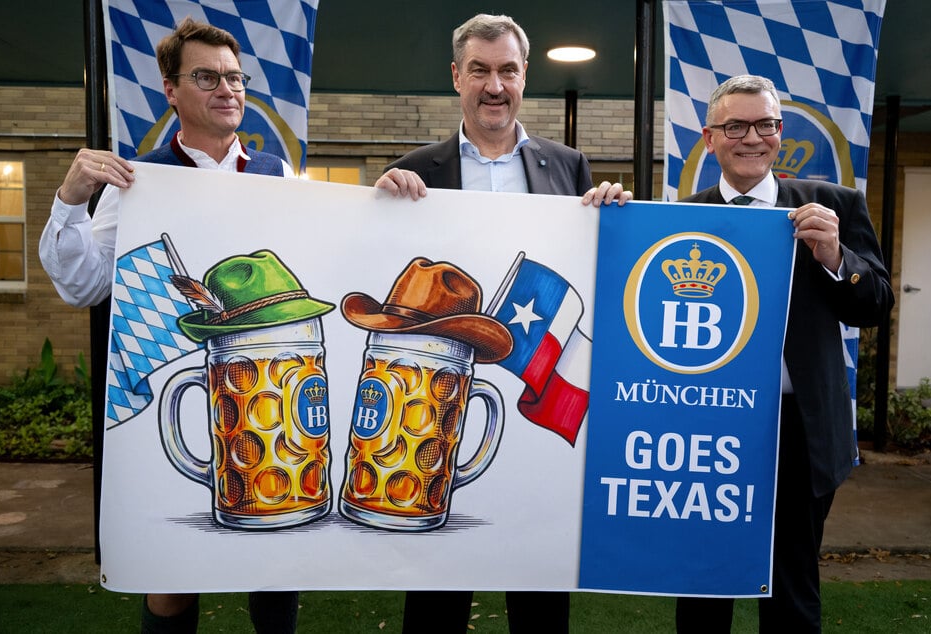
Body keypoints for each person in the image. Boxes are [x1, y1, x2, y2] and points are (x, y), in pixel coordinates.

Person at [39, 17, 299, 634]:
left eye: (235, 77)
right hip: (169, 398)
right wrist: (69, 200)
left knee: (275, 568)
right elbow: (83, 286)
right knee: (172, 583)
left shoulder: (277, 174)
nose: (227, 89)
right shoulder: (137, 180)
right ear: (170, 90)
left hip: (266, 391)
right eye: (207, 77)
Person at [376, 13, 630, 634]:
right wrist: (378, 202)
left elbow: (587, 265)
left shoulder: (567, 165)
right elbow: (385, 264)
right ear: (456, 76)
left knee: (536, 577)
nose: (496, 86)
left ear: (525, 78)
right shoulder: (415, 168)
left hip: (526, 387)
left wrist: (610, 213)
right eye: (482, 71)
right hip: (436, 393)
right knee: (437, 580)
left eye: (508, 71)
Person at [674, 74, 894, 632]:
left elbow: (874, 304)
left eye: (766, 125)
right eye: (735, 126)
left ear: (779, 131)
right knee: (701, 583)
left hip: (800, 429)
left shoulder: (833, 206)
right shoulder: (679, 217)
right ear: (710, 137)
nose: (753, 137)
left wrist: (836, 256)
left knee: (793, 588)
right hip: (707, 428)